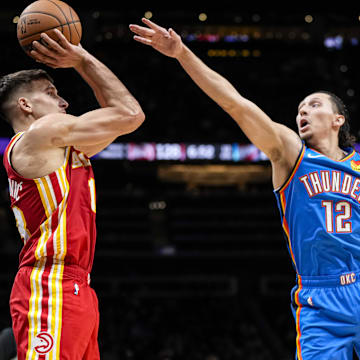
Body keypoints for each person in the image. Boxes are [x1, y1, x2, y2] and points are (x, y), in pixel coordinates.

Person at [129, 18, 360, 359]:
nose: (303, 112)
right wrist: (181, 53)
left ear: (338, 119)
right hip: (320, 298)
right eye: (300, 109)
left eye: (314, 105)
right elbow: (235, 104)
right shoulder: (290, 154)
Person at [1, 29, 145, 359]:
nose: (64, 101)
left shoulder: (62, 147)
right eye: (51, 93)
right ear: (25, 105)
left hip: (77, 285)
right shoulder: (39, 133)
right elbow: (130, 114)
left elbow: (125, 117)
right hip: (49, 282)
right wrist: (80, 58)